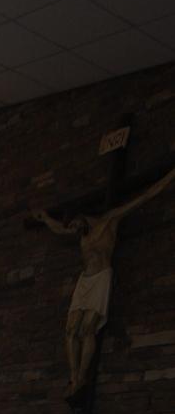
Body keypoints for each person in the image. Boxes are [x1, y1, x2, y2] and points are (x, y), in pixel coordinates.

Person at [33, 163, 175, 400]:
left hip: (100, 278)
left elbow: (145, 196)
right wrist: (46, 218)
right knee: (70, 331)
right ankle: (74, 376)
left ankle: (82, 377)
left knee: (88, 328)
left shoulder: (108, 220)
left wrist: (171, 174)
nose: (75, 231)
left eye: (76, 225)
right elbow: (60, 229)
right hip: (84, 281)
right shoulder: (80, 231)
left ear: (83, 217)